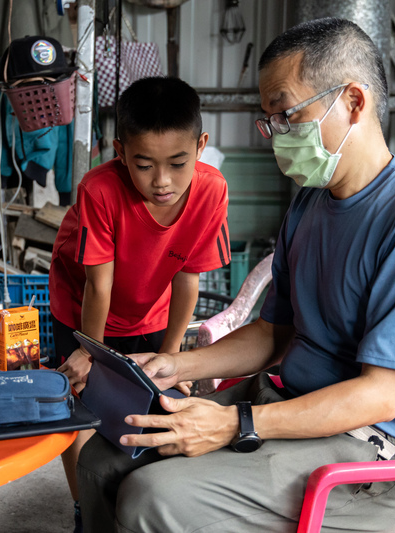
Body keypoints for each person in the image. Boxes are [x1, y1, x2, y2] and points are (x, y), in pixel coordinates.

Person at [76, 17, 395, 533]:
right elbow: (275, 330)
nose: (277, 135)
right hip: (292, 404)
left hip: (373, 454)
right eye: (271, 121)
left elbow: (381, 394)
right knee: (106, 455)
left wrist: (233, 422)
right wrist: (177, 366)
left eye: (288, 114)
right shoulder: (310, 204)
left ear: (353, 101)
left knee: (155, 498)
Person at [48, 76, 231, 531]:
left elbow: (189, 282)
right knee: (79, 410)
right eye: (144, 165)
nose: (162, 181)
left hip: (152, 307)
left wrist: (172, 358)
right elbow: (98, 288)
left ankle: (136, 502)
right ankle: (83, 511)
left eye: (177, 163)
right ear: (120, 151)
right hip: (82, 312)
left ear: (201, 146)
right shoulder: (100, 189)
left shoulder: (212, 191)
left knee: (157, 403)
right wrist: (90, 353)